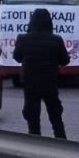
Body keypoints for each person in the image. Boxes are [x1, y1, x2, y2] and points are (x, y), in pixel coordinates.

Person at [13, 8, 70, 138]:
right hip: (50, 82)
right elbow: (65, 61)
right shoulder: (56, 40)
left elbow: (17, 57)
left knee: (32, 116)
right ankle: (61, 142)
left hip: (30, 82)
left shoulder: (22, 39)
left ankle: (35, 142)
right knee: (55, 116)